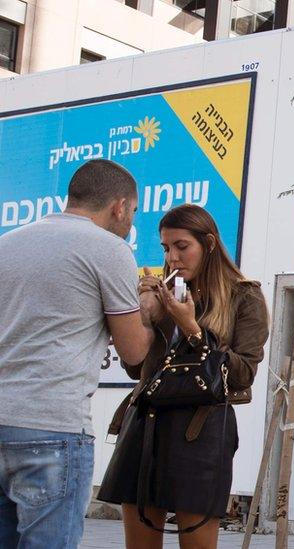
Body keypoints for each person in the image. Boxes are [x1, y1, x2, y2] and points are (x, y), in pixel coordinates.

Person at [0, 159, 154, 548]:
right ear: (119, 206)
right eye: (133, 212)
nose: (131, 222)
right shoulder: (110, 249)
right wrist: (151, 311)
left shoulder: (7, 244)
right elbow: (133, 350)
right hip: (53, 425)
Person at [98, 204, 269, 549]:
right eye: (165, 247)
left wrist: (192, 328)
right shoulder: (162, 294)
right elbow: (137, 367)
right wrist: (143, 317)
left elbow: (242, 374)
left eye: (181, 246)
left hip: (200, 430)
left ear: (207, 244)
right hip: (146, 421)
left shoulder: (244, 297)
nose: (172, 257)